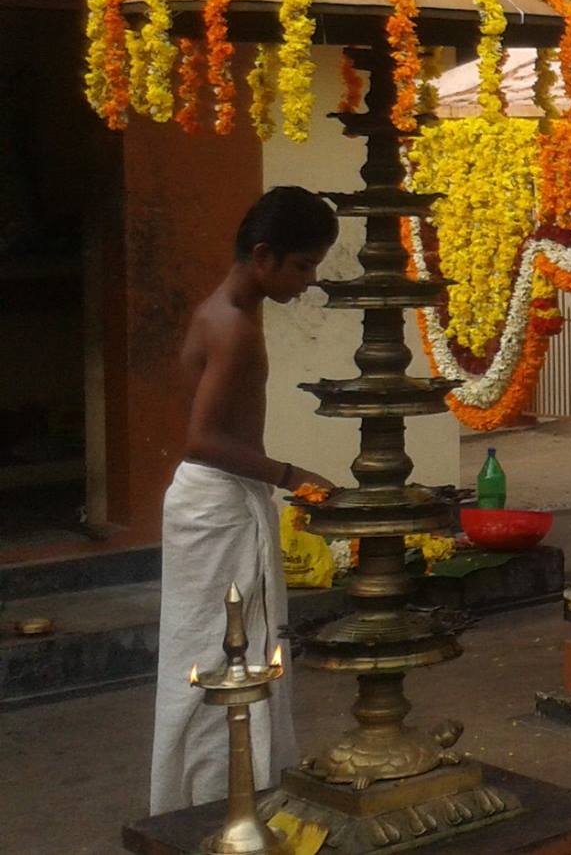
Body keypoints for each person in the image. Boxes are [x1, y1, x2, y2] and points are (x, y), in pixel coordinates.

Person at [151, 186, 340, 813]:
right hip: (216, 504)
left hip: (223, 500)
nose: (308, 281)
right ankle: (219, 811)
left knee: (236, 652)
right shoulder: (232, 325)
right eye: (303, 265)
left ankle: (232, 802)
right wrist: (295, 475)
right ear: (264, 256)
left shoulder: (231, 310)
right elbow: (202, 439)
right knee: (226, 659)